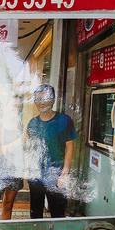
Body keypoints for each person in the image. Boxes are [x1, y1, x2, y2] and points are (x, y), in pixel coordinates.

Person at [25, 85, 75, 219]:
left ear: (53, 100)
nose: (41, 102)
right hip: (35, 177)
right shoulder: (32, 123)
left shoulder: (65, 121)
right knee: (35, 214)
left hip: (56, 176)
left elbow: (70, 147)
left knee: (57, 213)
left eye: (45, 99)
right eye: (38, 99)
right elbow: (30, 148)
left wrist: (64, 174)